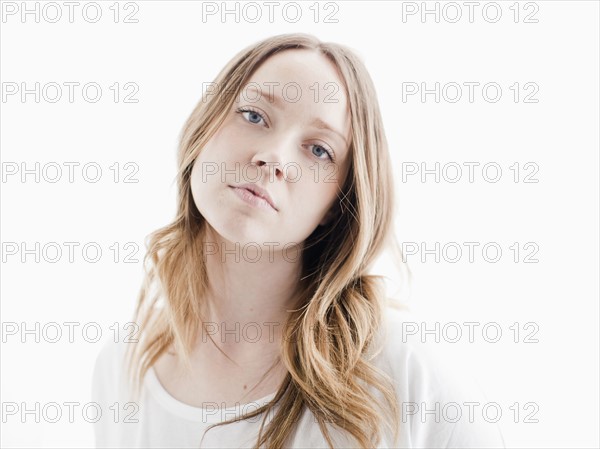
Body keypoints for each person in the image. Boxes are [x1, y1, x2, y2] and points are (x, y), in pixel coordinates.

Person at [91, 32, 506, 448]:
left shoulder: (402, 371)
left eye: (319, 150)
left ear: (337, 204)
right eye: (254, 115)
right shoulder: (123, 366)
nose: (274, 156)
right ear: (205, 127)